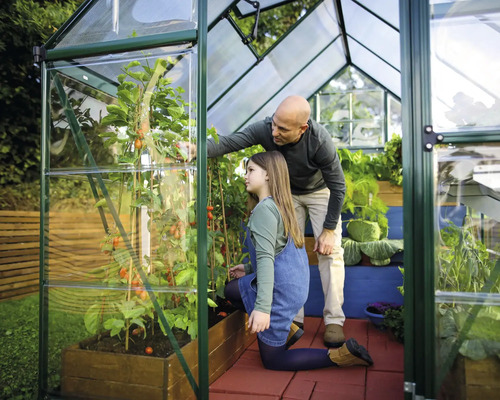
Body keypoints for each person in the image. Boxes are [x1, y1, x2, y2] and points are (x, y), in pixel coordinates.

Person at [192, 95, 346, 347]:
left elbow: (338, 187)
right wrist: (196, 148)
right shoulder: (266, 129)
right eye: (273, 123)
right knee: (286, 249)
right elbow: (230, 142)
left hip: (320, 191)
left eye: (282, 129)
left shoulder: (320, 141)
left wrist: (328, 230)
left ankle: (334, 321)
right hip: (288, 192)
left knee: (330, 253)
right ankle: (291, 320)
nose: (274, 132)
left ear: (302, 129)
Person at [224, 151, 372, 371]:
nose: (245, 175)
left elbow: (266, 260)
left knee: (274, 360)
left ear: (268, 175)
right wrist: (247, 268)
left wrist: (263, 309)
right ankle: (288, 327)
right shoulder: (280, 205)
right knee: (231, 290)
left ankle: (341, 355)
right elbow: (279, 253)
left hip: (281, 291)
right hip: (293, 286)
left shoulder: (264, 210)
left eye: (251, 170)